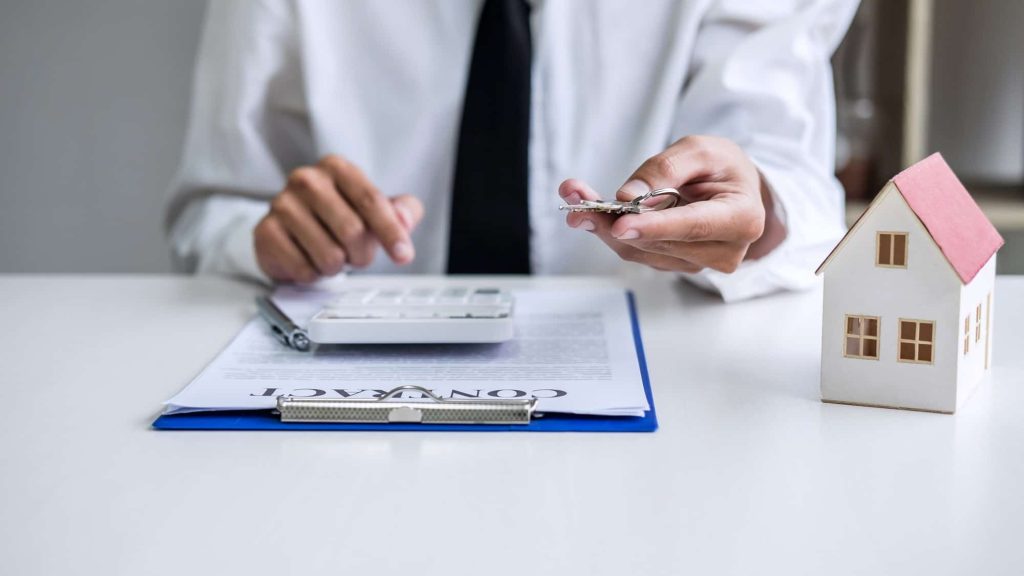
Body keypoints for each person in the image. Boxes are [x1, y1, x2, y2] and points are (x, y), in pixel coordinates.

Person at [166, 0, 858, 302]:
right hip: (353, 407)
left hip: (667, 390)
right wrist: (264, 240)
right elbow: (212, 211)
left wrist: (757, 213)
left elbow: (791, 180)